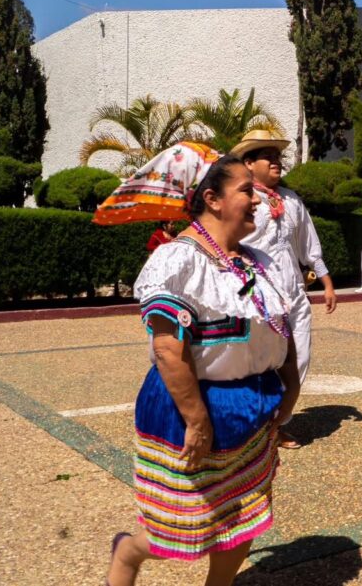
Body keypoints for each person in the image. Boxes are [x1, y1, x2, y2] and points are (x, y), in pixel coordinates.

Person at [94, 142, 309, 586]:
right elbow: (168, 349)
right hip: (192, 408)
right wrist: (196, 420)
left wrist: (289, 388)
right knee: (180, 525)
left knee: (244, 516)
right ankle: (128, 553)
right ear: (212, 199)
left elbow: (281, 328)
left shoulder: (260, 262)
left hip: (253, 406)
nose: (258, 200)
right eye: (246, 190)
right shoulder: (177, 261)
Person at [232, 129, 338, 449]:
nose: (276, 162)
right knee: (259, 361)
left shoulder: (291, 200)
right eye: (268, 157)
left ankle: (279, 422)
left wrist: (326, 281)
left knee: (299, 357)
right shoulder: (242, 199)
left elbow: (309, 245)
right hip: (257, 293)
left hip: (294, 292)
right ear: (249, 163)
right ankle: (258, 426)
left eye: (278, 157)